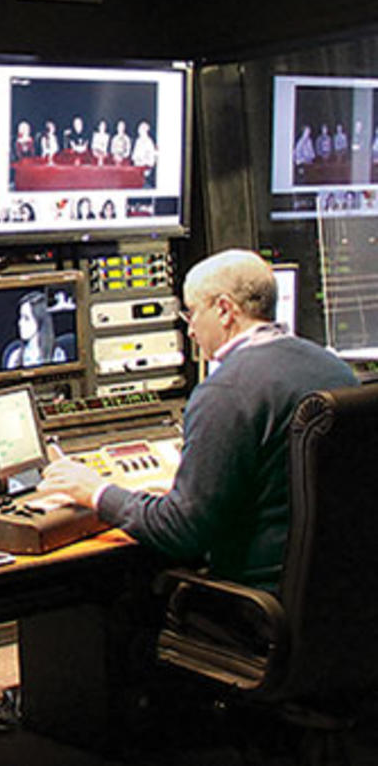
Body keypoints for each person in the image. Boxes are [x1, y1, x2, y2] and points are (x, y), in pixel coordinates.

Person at [39, 249, 356, 590]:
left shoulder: (226, 391)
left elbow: (181, 532)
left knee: (121, 596)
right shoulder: (336, 369)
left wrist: (96, 492)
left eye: (191, 314)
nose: (189, 331)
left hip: (256, 603)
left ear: (223, 310)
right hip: (339, 598)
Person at [1, 290, 68, 369]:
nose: (20, 323)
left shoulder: (57, 356)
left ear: (40, 321)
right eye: (20, 317)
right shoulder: (15, 358)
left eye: (26, 318)